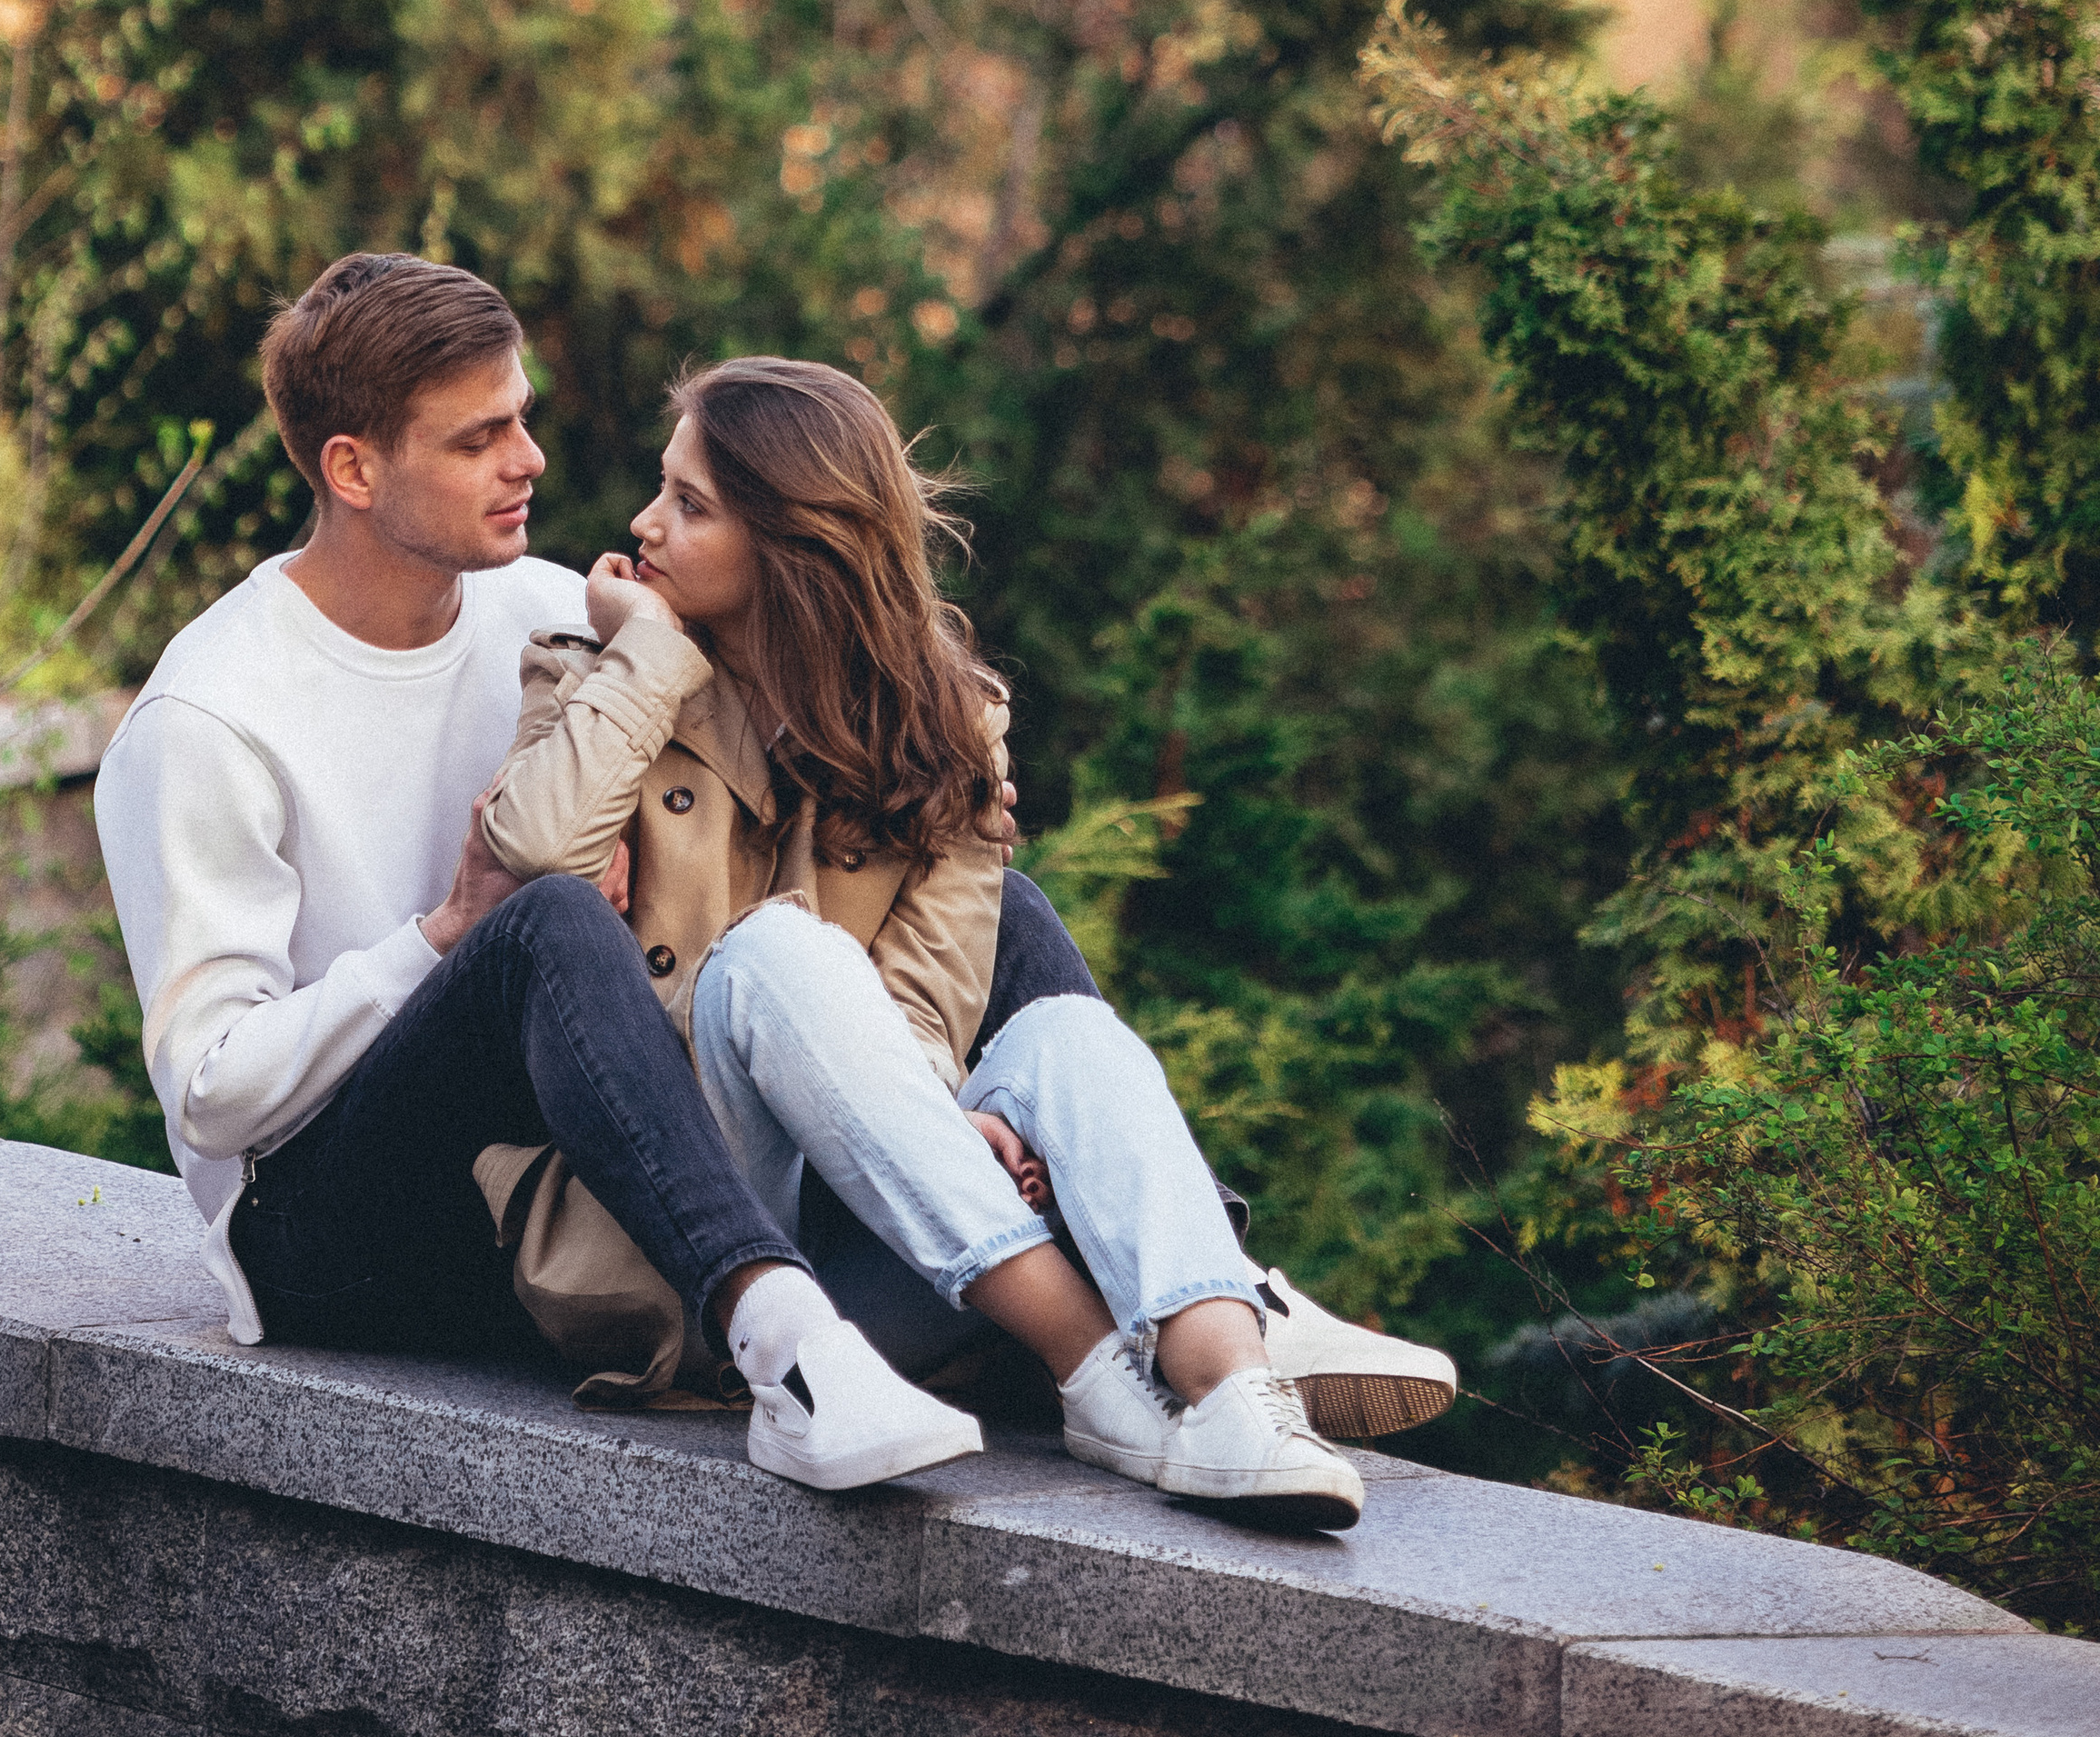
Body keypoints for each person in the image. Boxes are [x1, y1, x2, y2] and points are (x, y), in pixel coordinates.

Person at [476, 355, 1456, 1533]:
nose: (644, 523)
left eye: (691, 501)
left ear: (799, 543)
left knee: (1064, 1036)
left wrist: (954, 1113)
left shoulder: (943, 729)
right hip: (684, 1257)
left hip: (882, 1268)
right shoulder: (600, 679)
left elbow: (925, 1021)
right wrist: (655, 655)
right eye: (664, 490)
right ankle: (1101, 1368)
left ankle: (1228, 1377)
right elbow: (533, 860)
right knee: (777, 956)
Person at [96, 254, 1017, 1492]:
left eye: (521, 414)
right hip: (333, 1233)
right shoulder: (211, 714)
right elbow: (212, 1097)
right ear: (354, 469)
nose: (529, 456)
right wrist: (441, 935)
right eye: (481, 436)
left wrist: (946, 771)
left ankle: (1186, 1277)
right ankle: (790, 1350)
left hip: (560, 1174)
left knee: (977, 852)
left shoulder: (549, 606)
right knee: (540, 926)